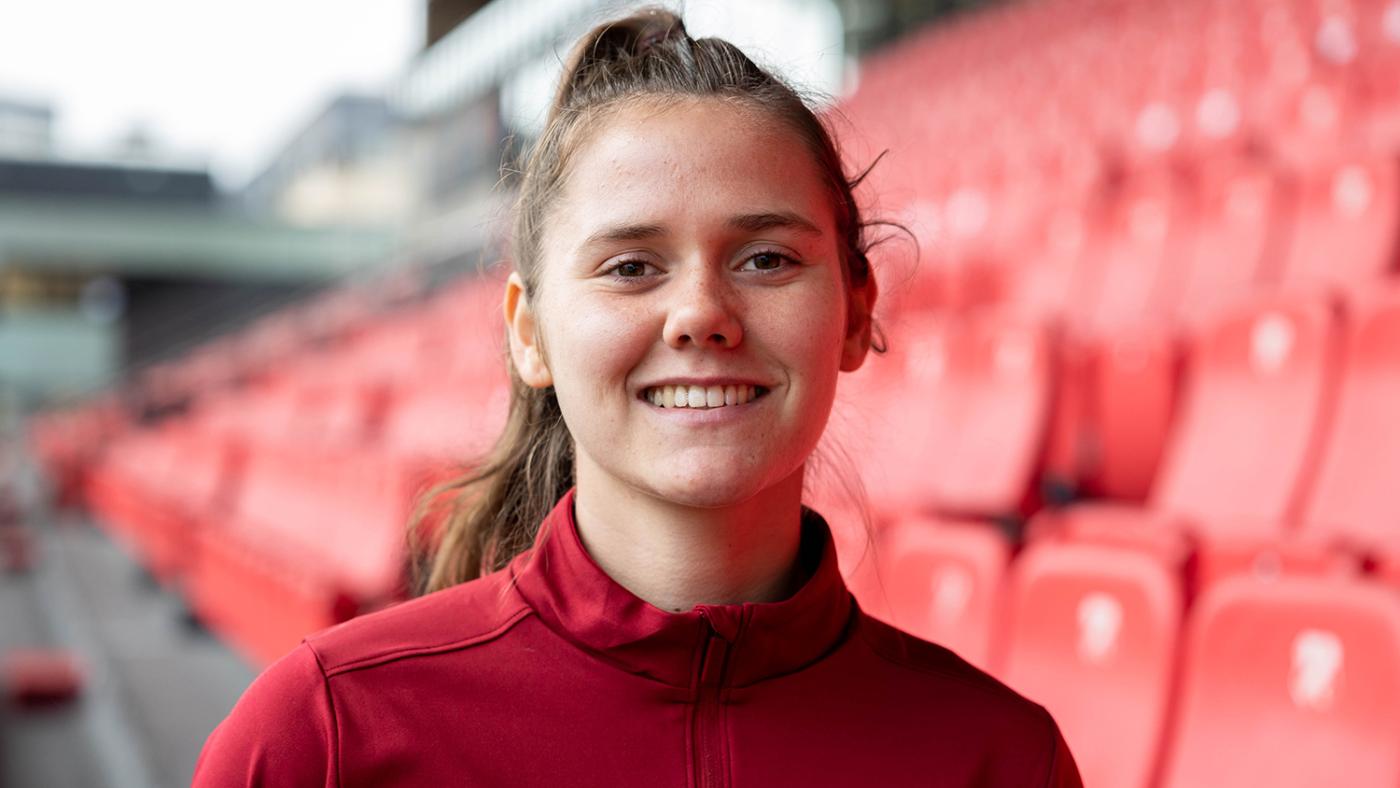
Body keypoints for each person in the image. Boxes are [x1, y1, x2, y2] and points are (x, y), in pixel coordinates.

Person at [193, 8, 1082, 786]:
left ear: (856, 312)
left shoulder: (1000, 760)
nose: (700, 314)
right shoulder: (325, 736)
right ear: (529, 332)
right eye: (630, 267)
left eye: (766, 259)